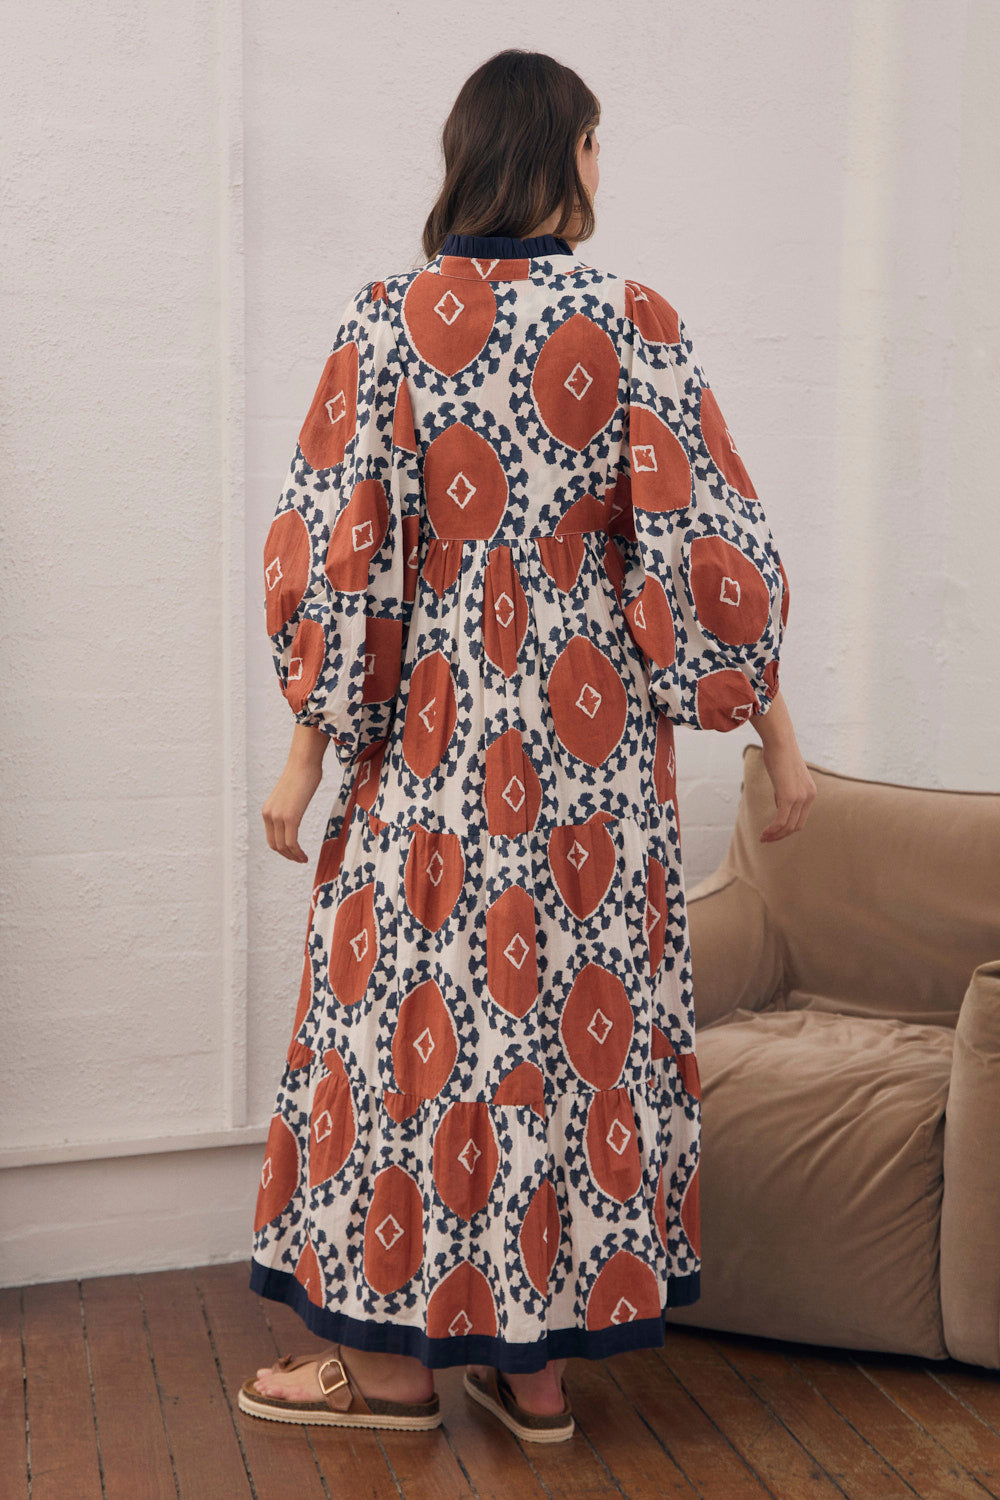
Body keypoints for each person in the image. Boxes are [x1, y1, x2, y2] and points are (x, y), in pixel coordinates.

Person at [238, 48, 817, 1443]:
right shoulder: (636, 323)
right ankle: (539, 1373)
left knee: (413, 1035)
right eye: (597, 146)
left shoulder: (389, 320)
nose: (603, 171)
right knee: (565, 1031)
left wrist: (308, 758)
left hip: (430, 754)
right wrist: (778, 741)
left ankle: (387, 1373)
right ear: (561, 155)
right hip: (589, 755)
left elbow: (344, 552)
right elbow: (708, 555)